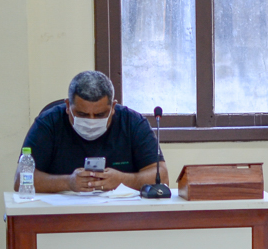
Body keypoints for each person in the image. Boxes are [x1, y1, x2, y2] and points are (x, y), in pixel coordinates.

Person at [15, 71, 167, 193]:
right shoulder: (48, 123)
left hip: (121, 214)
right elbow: (20, 179)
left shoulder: (132, 123)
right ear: (68, 106)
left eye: (100, 115)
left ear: (113, 107)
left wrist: (121, 180)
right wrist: (68, 183)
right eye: (82, 114)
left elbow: (162, 177)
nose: (91, 121)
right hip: (62, 213)